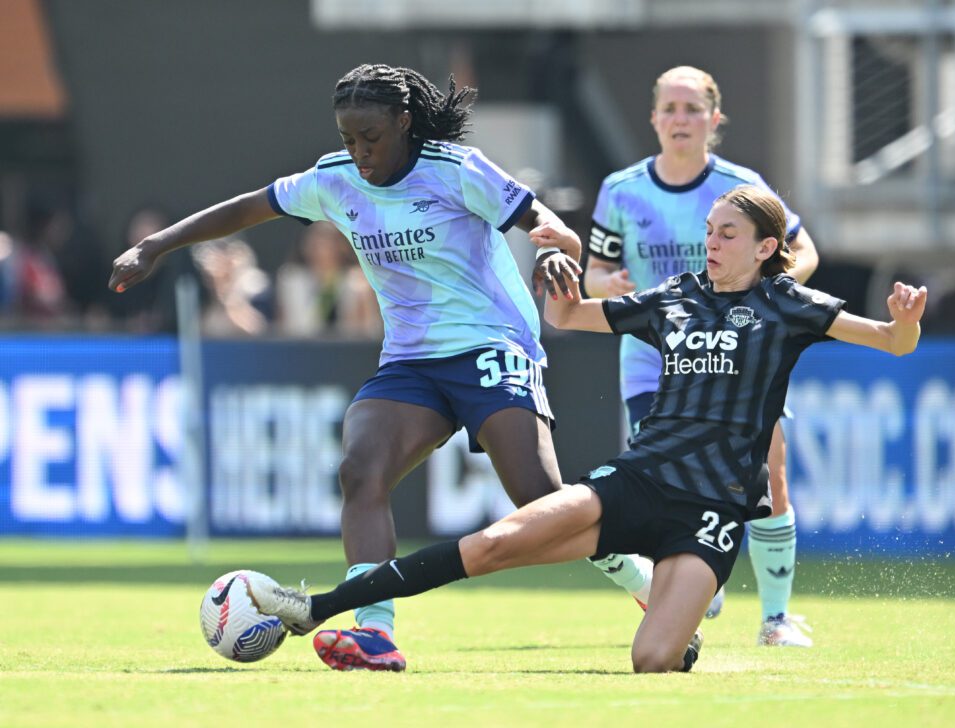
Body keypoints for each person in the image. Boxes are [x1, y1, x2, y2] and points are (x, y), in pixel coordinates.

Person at [246, 185, 927, 673]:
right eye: (709, 229)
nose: (710, 242)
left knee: (654, 658)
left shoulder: (790, 305)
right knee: (494, 545)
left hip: (712, 512)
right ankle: (318, 607)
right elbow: (570, 320)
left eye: (726, 233)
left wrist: (905, 319)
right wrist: (559, 278)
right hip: (636, 483)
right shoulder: (678, 297)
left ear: (767, 246)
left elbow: (892, 343)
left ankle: (678, 625)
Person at [108, 63, 651, 671]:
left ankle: (646, 582)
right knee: (360, 469)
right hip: (410, 361)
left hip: (491, 345)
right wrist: (155, 246)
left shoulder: (456, 169)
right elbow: (247, 208)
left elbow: (546, 223)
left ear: (405, 121)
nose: (359, 153)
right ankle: (375, 632)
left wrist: (555, 252)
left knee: (540, 499)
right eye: (348, 139)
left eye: (370, 137)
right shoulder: (335, 179)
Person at [584, 65, 821, 645]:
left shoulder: (742, 185)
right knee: (661, 490)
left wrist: (773, 293)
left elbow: (803, 251)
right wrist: (607, 285)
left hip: (743, 362)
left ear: (715, 120)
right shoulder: (621, 190)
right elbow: (594, 274)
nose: (680, 119)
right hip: (653, 365)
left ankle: (774, 620)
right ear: (653, 117)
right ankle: (681, 599)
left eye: (693, 109)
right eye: (670, 108)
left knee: (768, 478)